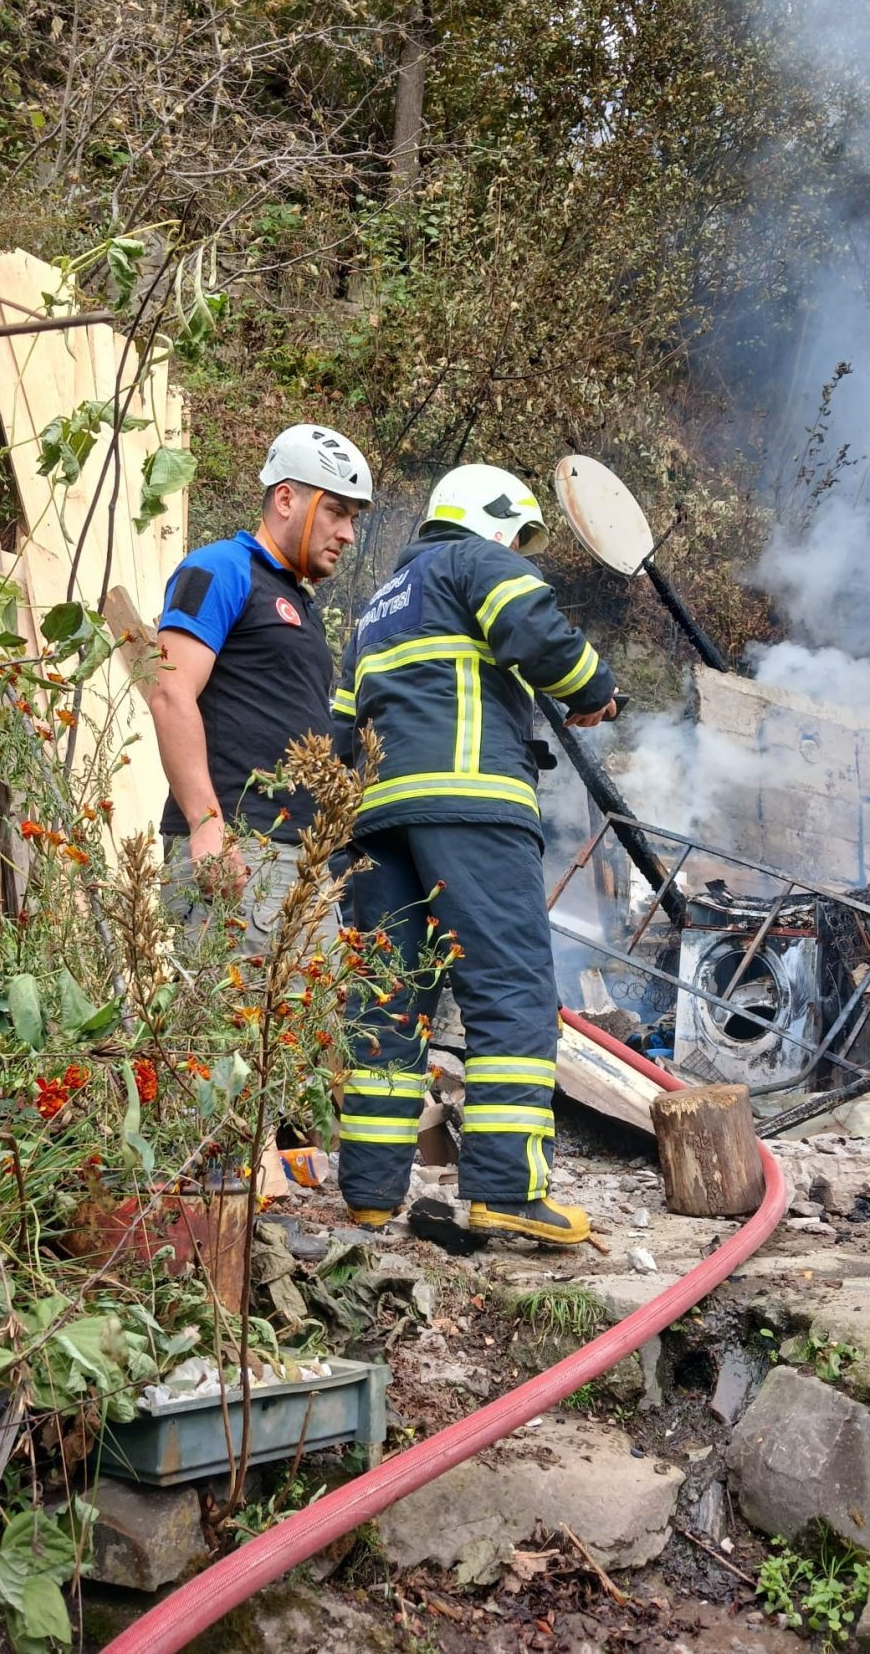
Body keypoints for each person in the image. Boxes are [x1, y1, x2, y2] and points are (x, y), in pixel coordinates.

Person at [332, 463, 619, 1245]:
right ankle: (507, 1191)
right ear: (496, 522)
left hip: (379, 821)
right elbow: (537, 630)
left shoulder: (375, 608)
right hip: (472, 809)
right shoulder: (475, 559)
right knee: (511, 990)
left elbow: (335, 729)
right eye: (521, 536)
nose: (524, 550)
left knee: (388, 1003)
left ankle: (367, 1195)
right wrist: (595, 689)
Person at [152, 425, 373, 945]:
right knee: (237, 1023)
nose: (348, 534)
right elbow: (170, 693)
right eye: (336, 512)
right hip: (239, 846)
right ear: (286, 498)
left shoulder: (298, 603)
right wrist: (208, 825)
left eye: (353, 519)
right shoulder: (220, 568)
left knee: (299, 1025)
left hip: (296, 857)